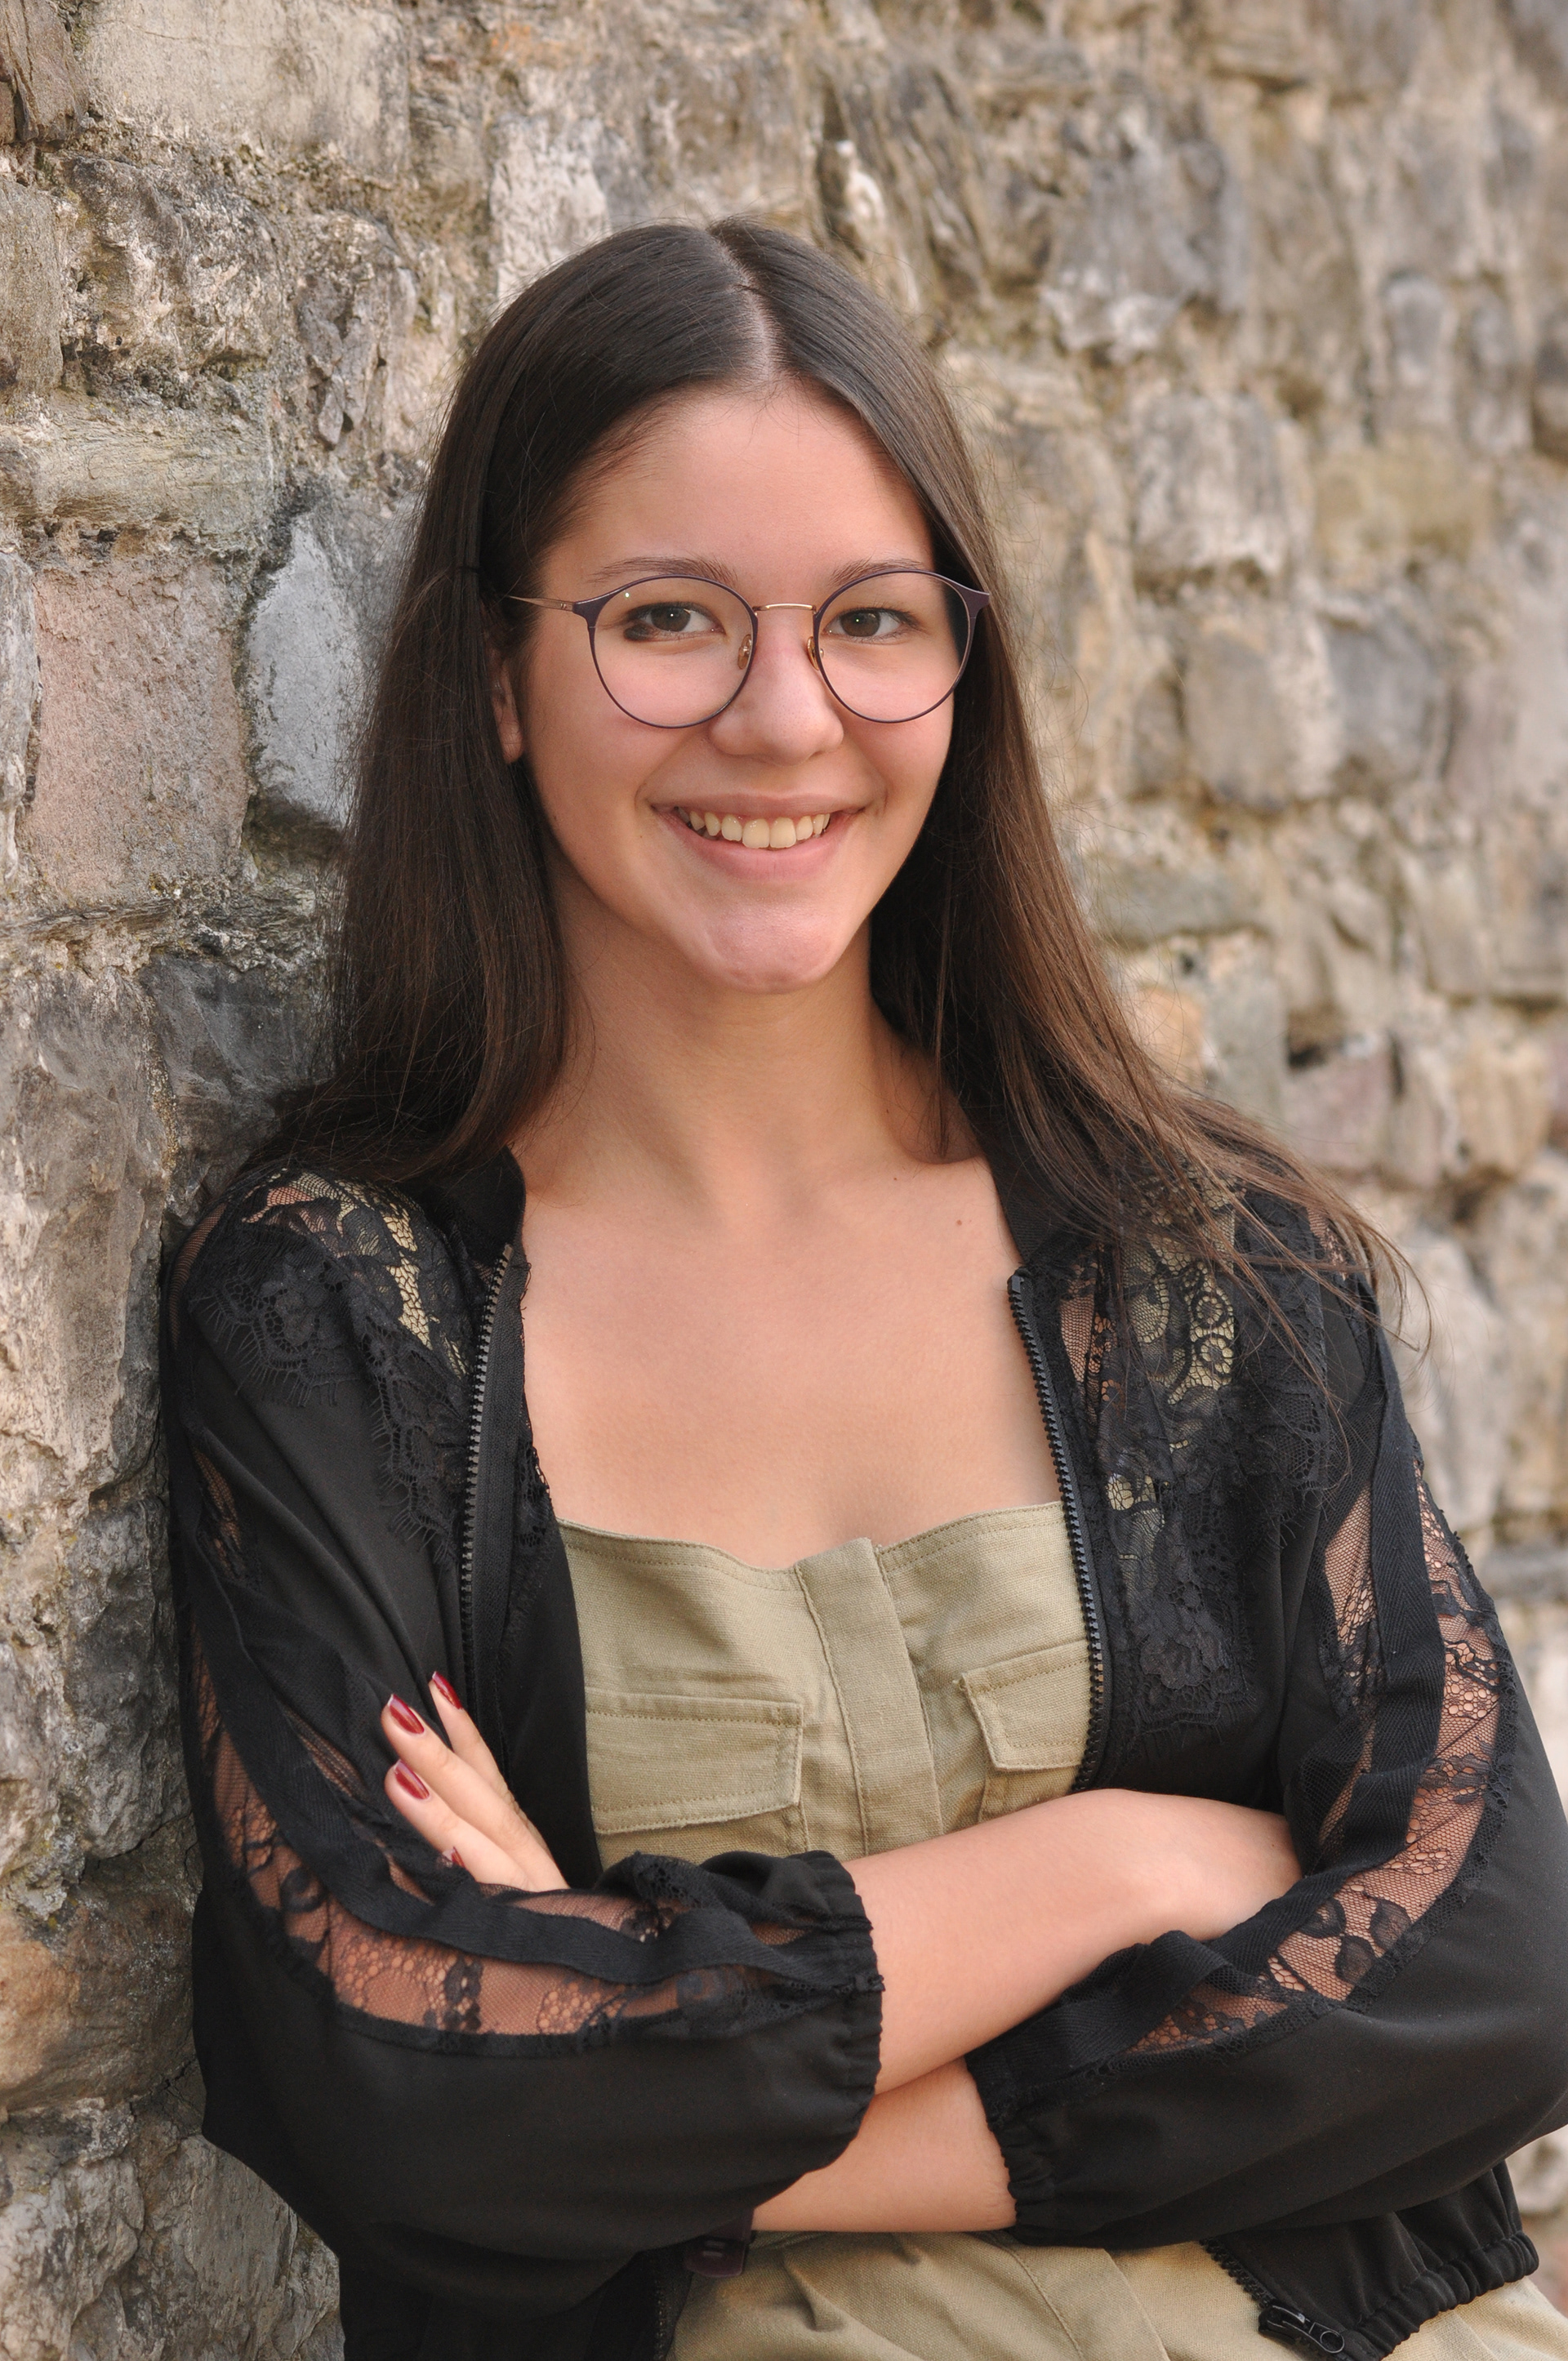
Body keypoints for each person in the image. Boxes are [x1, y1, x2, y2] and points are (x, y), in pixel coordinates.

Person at [160, 221, 1568, 2361]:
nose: (785, 717)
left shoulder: (1198, 1265)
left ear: (961, 670)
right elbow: (404, 2096)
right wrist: (1116, 1867)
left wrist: (659, 2057)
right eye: (666, 619)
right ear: (494, 679)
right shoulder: (341, 1312)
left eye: (872, 621)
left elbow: (1490, 1971)